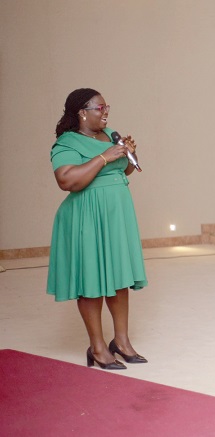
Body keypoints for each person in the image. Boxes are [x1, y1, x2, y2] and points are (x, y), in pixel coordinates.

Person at [47, 88, 146, 370]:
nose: (106, 113)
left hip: (115, 215)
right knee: (91, 282)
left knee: (118, 278)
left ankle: (122, 343)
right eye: (100, 108)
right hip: (86, 216)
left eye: (106, 107)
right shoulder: (67, 143)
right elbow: (66, 180)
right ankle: (99, 348)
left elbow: (121, 172)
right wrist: (104, 157)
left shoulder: (110, 134)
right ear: (82, 112)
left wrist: (128, 156)